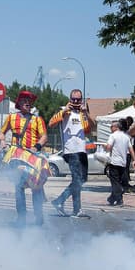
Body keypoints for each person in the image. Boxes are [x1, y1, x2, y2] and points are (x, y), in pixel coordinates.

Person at [0, 90, 49, 226]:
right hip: (17, 157)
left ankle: (39, 216)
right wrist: (3, 142)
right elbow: (2, 133)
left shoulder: (37, 119)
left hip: (32, 157)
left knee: (36, 186)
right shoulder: (11, 118)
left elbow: (44, 136)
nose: (28, 103)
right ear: (19, 103)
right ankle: (21, 217)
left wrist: (37, 146)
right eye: (24, 100)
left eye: (29, 101)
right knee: (19, 186)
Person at [49, 89, 93, 218]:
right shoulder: (64, 111)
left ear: (81, 100)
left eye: (78, 99)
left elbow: (91, 129)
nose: (75, 101)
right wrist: (64, 111)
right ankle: (73, 208)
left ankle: (63, 203)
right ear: (69, 99)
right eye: (73, 99)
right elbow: (51, 123)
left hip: (81, 150)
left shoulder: (83, 113)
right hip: (70, 150)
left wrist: (86, 114)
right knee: (77, 179)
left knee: (81, 179)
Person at [103, 117, 134, 206]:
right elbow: (131, 149)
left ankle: (120, 199)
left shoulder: (113, 135)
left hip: (114, 162)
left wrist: (105, 147)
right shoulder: (126, 137)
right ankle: (111, 199)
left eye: (112, 126)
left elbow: (108, 147)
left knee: (115, 182)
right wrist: (134, 160)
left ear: (117, 127)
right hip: (123, 163)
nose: (110, 128)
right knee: (117, 181)